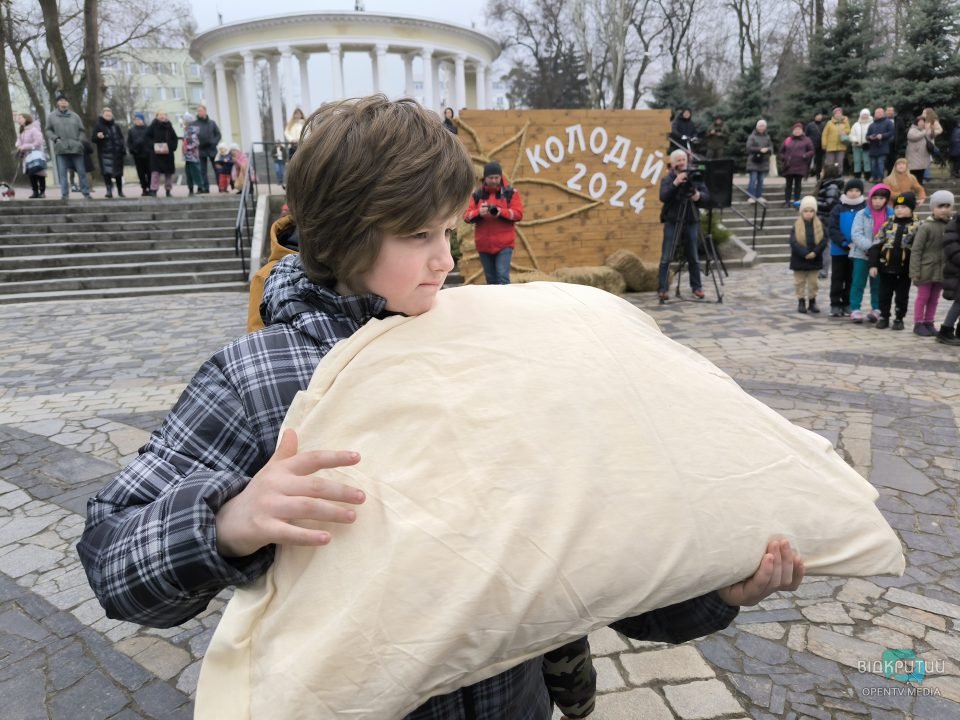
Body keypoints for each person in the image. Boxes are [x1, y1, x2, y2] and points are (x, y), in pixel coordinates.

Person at [75, 96, 806, 719]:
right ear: (346, 233)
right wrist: (227, 522)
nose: (446, 261)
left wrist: (714, 590)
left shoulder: (491, 353)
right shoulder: (259, 378)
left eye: (447, 232)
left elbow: (575, 551)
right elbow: (112, 560)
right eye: (417, 235)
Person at [657, 148, 710, 301]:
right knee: (667, 256)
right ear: (672, 164)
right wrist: (675, 183)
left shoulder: (694, 176)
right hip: (673, 220)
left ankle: (697, 287)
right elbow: (663, 196)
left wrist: (697, 196)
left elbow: (706, 196)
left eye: (683, 160)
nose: (681, 163)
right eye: (678, 160)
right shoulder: (668, 179)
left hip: (691, 219)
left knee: (693, 255)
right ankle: (662, 289)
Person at [464, 160, 524, 284]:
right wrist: (479, 213)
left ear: (500, 177)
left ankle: (506, 303)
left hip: (504, 244)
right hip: (483, 245)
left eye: (496, 177)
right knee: (490, 280)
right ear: (485, 178)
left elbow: (518, 214)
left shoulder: (510, 193)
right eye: (491, 178)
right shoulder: (477, 195)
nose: (494, 181)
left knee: (502, 277)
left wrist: (500, 212)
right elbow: (466, 216)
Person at [869, 192, 920, 330]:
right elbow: (876, 245)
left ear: (911, 208)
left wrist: (916, 269)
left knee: (902, 296)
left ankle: (899, 318)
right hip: (886, 268)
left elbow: (919, 249)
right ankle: (884, 316)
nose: (899, 210)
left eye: (903, 207)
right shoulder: (888, 224)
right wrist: (873, 264)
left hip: (904, 269)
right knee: (884, 294)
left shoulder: (917, 226)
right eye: (897, 207)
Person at [909, 190, 953, 336]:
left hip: (942, 270)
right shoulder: (926, 227)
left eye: (948, 206)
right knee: (923, 297)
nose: (944, 210)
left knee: (934, 299)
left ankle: (929, 321)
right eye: (940, 206)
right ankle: (918, 323)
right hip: (925, 270)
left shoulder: (951, 226)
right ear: (933, 208)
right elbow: (916, 250)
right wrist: (914, 271)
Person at [849, 183, 892, 323]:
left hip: (881, 256)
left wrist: (880, 251)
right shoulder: (862, 214)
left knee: (878, 283)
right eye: (875, 198)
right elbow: (856, 234)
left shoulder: (891, 215)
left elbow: (892, 234)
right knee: (858, 282)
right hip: (861, 254)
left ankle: (877, 308)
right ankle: (855, 308)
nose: (877, 201)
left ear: (886, 199)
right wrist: (872, 248)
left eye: (881, 198)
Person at [827, 178, 866, 316]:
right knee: (837, 278)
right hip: (839, 250)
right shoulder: (838, 208)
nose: (854, 193)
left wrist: (858, 243)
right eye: (850, 190)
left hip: (857, 250)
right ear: (846, 192)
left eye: (857, 190)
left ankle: (848, 303)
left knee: (852, 278)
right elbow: (832, 228)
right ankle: (835, 303)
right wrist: (844, 243)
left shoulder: (864, 208)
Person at [44, 93, 90, 199]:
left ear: (68, 103)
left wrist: (79, 140)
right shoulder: (51, 116)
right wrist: (55, 139)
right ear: (57, 103)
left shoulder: (75, 116)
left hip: (76, 148)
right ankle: (64, 194)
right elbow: (48, 130)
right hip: (61, 148)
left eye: (65, 101)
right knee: (62, 174)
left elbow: (82, 130)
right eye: (61, 101)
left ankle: (86, 193)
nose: (63, 102)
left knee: (81, 171)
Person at [788, 196, 828, 314]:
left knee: (813, 282)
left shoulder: (820, 225)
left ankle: (812, 301)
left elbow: (824, 240)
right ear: (801, 212)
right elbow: (793, 242)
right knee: (799, 281)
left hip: (814, 259)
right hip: (799, 259)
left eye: (811, 211)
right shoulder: (796, 226)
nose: (808, 214)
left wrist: (815, 252)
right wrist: (804, 253)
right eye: (806, 211)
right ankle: (801, 301)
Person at [91, 107, 126, 198]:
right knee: (107, 173)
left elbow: (121, 138)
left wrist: (122, 149)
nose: (108, 116)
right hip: (105, 153)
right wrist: (98, 137)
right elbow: (93, 139)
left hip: (117, 153)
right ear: (103, 115)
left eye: (110, 115)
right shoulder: (99, 125)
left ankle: (120, 191)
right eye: (106, 115)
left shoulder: (116, 126)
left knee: (118, 173)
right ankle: (109, 190)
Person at [937, 213, 960, 344]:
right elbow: (951, 247)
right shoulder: (955, 224)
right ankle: (945, 330)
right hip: (957, 269)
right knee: (959, 303)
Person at [780, 122, 814, 207]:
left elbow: (811, 151)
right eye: (796, 129)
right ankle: (787, 201)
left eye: (799, 129)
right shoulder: (788, 140)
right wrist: (784, 158)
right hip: (789, 166)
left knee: (798, 185)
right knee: (788, 184)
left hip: (800, 165)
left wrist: (805, 155)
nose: (797, 131)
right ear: (793, 131)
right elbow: (781, 152)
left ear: (802, 131)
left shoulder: (807, 140)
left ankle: (796, 201)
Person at [146, 110, 178, 197]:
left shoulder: (169, 126)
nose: (162, 116)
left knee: (168, 173)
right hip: (156, 154)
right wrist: (153, 146)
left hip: (168, 154)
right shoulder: (153, 126)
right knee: (155, 173)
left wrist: (171, 147)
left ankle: (168, 190)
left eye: (164, 115)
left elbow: (174, 138)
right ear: (156, 116)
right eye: (160, 115)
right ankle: (153, 190)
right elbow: (147, 137)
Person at [15, 112, 47, 199]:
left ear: (26, 118)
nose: (18, 120)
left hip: (36, 154)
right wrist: (19, 147)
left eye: (20, 118)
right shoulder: (22, 130)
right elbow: (19, 141)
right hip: (27, 156)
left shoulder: (34, 129)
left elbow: (38, 142)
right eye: (18, 118)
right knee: (31, 173)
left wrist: (25, 146)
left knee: (40, 173)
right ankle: (35, 191)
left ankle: (42, 191)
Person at [194, 104, 221, 194]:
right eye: (198, 111)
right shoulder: (195, 124)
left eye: (201, 111)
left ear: (205, 111)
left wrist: (214, 142)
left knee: (217, 169)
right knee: (202, 170)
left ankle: (221, 187)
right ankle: (205, 188)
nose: (199, 112)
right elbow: (192, 136)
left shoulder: (212, 123)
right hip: (201, 149)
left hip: (212, 149)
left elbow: (218, 135)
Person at [745, 119, 772, 204]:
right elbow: (748, 148)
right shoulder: (752, 136)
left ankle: (759, 196)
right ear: (757, 127)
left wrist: (767, 149)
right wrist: (760, 150)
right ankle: (751, 196)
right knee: (753, 179)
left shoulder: (767, 137)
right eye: (760, 126)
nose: (761, 128)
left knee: (761, 180)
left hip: (763, 161)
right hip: (753, 161)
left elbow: (771, 148)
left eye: (763, 126)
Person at [866, 107, 895, 183]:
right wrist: (870, 137)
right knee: (873, 164)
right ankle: (874, 177)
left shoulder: (888, 122)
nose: (878, 114)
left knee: (880, 163)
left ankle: (880, 178)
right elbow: (867, 136)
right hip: (873, 147)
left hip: (883, 147)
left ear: (883, 113)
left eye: (880, 112)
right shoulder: (872, 124)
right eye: (877, 112)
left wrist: (882, 136)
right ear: (874, 114)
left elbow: (891, 132)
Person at [126, 112, 152, 196]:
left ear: (142, 120)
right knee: (140, 173)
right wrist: (132, 149)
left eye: (139, 119)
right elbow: (129, 142)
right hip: (138, 155)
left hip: (148, 155)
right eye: (136, 119)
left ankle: (150, 187)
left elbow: (152, 140)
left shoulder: (148, 129)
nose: (137, 121)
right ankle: (144, 188)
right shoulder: (131, 130)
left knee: (149, 172)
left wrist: (149, 149)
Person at [821, 107, 850, 176]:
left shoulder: (845, 122)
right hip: (830, 146)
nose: (838, 114)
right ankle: (830, 176)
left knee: (840, 163)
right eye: (836, 113)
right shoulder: (829, 123)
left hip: (841, 146)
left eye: (839, 113)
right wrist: (824, 144)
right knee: (830, 163)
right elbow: (825, 134)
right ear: (833, 115)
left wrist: (844, 132)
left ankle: (839, 175)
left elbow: (849, 130)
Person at [906, 116, 934, 187]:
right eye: (920, 121)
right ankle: (913, 186)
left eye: (923, 122)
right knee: (914, 172)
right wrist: (925, 131)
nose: (922, 123)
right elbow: (913, 137)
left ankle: (919, 186)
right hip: (914, 156)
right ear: (916, 122)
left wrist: (930, 130)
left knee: (921, 171)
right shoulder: (913, 129)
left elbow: (931, 137)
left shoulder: (925, 130)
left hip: (923, 155)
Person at [181, 112, 203, 196]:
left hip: (192, 156)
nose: (182, 121)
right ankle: (190, 189)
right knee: (188, 173)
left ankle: (200, 187)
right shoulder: (186, 130)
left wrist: (188, 148)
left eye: (184, 120)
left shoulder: (192, 130)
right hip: (187, 157)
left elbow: (196, 142)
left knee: (195, 172)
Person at [848, 108, 872, 180]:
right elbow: (851, 135)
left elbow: (872, 134)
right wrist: (855, 140)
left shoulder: (871, 124)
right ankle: (857, 176)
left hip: (866, 145)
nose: (864, 116)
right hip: (856, 146)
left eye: (866, 115)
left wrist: (868, 141)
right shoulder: (856, 124)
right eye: (863, 115)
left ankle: (867, 176)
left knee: (867, 161)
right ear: (861, 115)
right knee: (857, 161)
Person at [885, 106, 905, 176]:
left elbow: (902, 131)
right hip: (884, 143)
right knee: (886, 160)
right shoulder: (883, 120)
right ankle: (887, 174)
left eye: (891, 111)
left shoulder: (899, 120)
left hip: (895, 143)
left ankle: (893, 174)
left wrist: (899, 140)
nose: (890, 112)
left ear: (894, 112)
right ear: (886, 112)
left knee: (893, 159)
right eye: (888, 110)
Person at [805, 112, 825, 178]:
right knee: (809, 160)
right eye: (818, 116)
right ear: (815, 117)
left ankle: (818, 175)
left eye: (820, 116)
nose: (819, 117)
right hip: (812, 145)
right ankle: (806, 174)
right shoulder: (810, 125)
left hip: (820, 145)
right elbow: (806, 135)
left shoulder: (824, 125)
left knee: (819, 161)